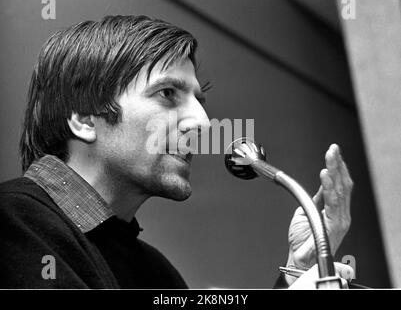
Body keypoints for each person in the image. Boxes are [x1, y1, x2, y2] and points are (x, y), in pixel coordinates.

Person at [0, 15, 353, 289]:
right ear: (83, 118)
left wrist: (298, 272)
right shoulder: (12, 224)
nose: (202, 123)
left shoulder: (154, 270)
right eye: (167, 93)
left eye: (200, 101)